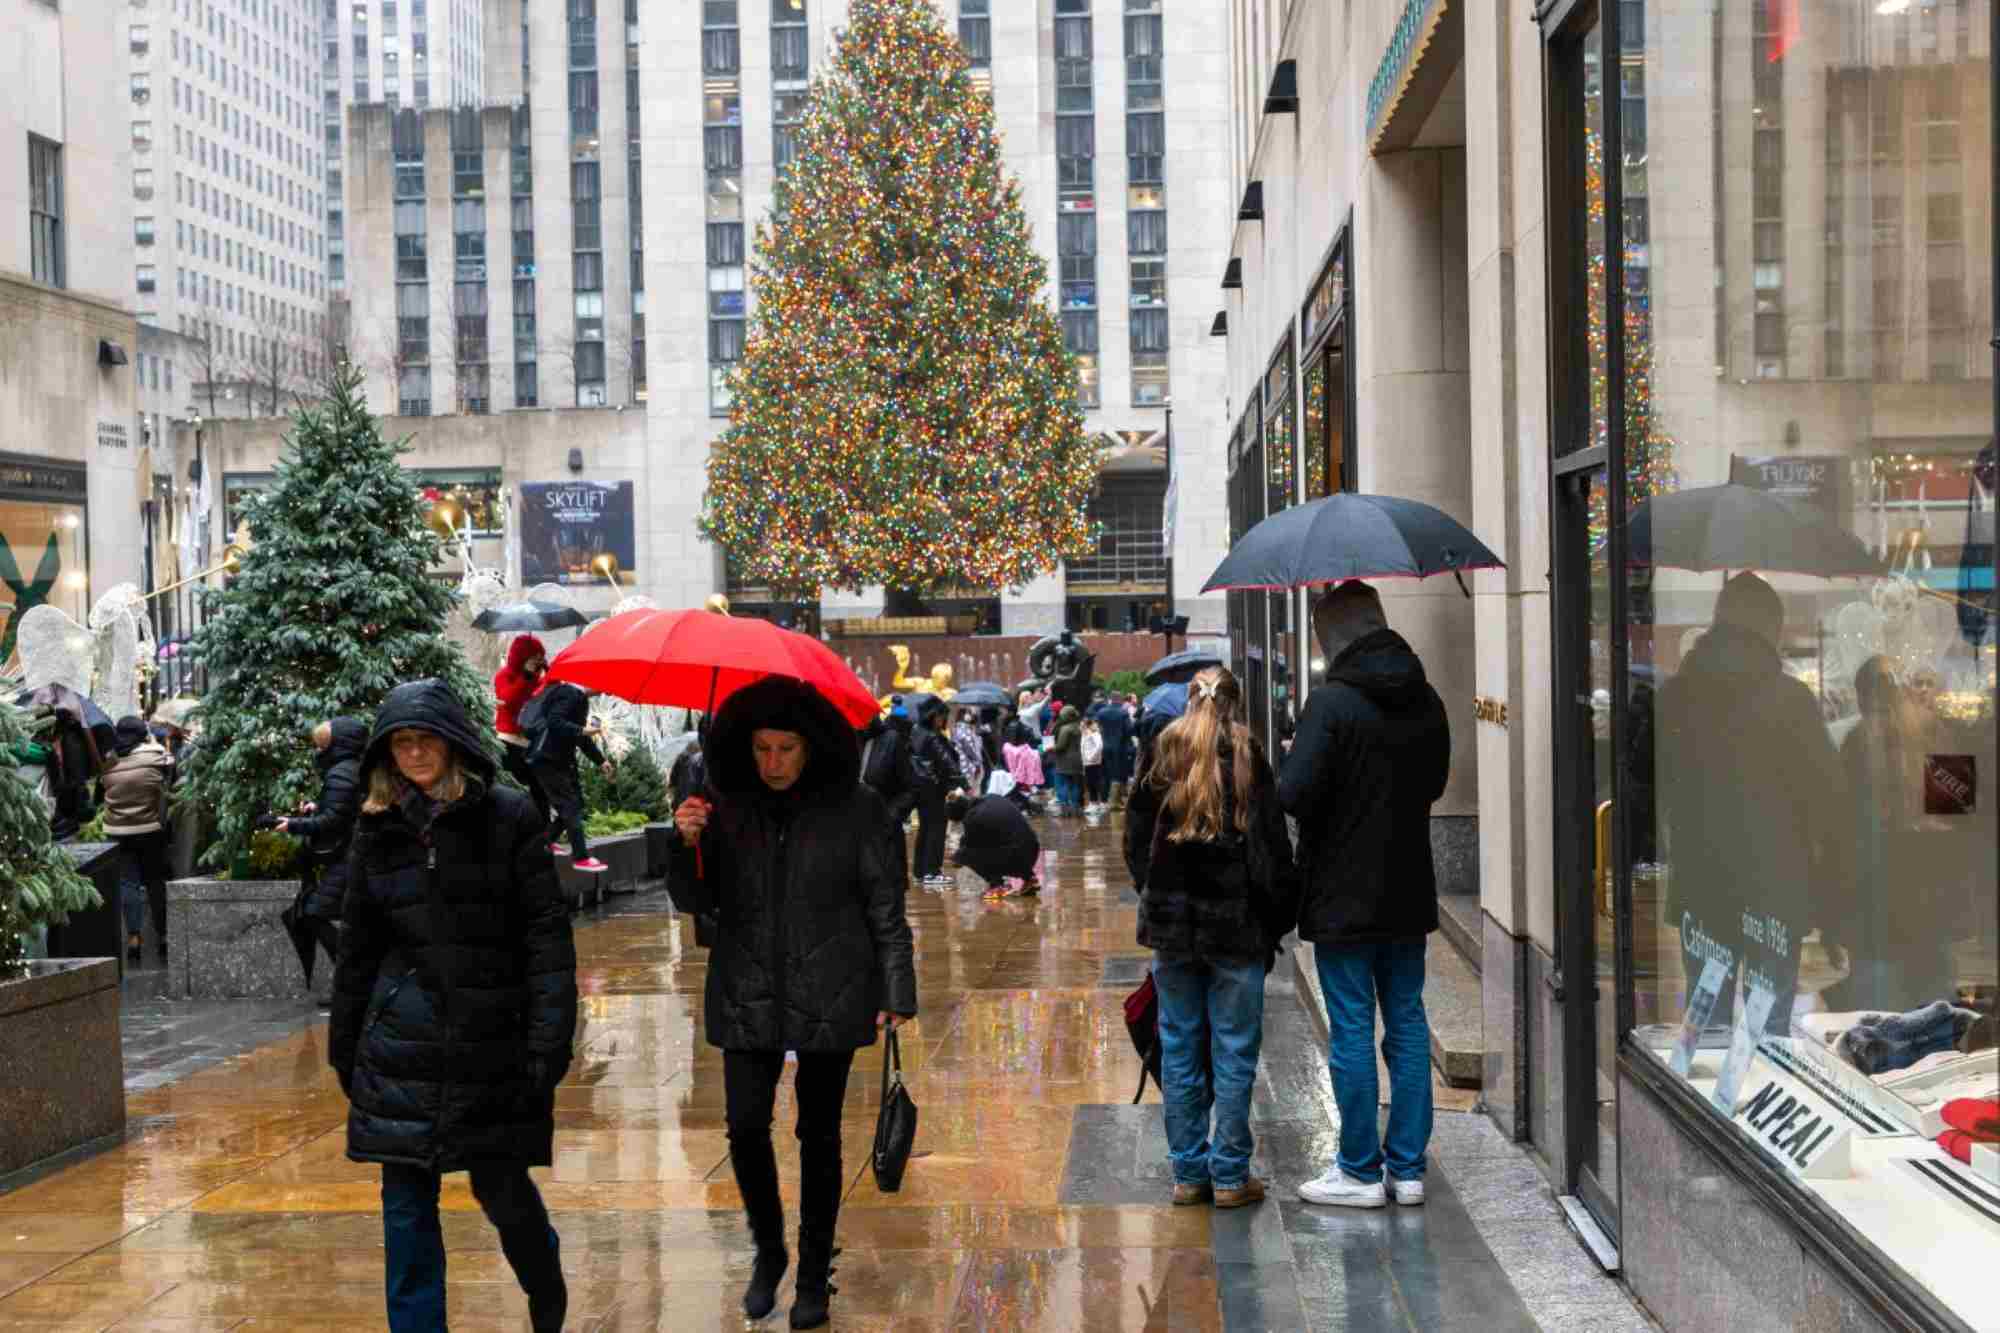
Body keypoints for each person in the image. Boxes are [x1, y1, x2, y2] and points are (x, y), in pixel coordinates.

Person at [668, 677, 917, 1328]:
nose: (772, 762)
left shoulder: (857, 807)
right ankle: (769, 1248)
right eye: (761, 748)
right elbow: (696, 901)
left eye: (785, 748)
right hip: (746, 981)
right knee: (746, 1126)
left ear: (810, 749)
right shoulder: (724, 802)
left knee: (819, 1133)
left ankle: (812, 1272)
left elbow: (886, 905)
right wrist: (686, 842)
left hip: (830, 979)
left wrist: (896, 987)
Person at [329, 679, 577, 1333]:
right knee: (407, 1212)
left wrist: (549, 1038)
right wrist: (346, 1041)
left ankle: (544, 1279)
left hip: (489, 1044)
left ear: (452, 740)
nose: (414, 753)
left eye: (425, 739)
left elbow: (545, 935)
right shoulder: (376, 825)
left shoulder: (508, 814)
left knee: (503, 1192)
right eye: (401, 742)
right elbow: (357, 946)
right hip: (401, 1048)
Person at [1278, 581, 1450, 1209]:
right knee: (1406, 1020)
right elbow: (1435, 782)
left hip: (1342, 895)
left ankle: (1357, 1169)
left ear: (1333, 639)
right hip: (1407, 889)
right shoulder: (1426, 698)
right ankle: (1406, 1171)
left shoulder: (1331, 705)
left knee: (1351, 1024)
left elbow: (1292, 796)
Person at [1125, 667, 1298, 1209]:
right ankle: (1229, 1174)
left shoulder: (1165, 751)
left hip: (1174, 933)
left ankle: (1187, 1173)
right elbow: (1271, 852)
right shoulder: (1247, 757)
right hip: (1238, 930)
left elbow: (1134, 840)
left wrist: (1154, 894)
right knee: (1235, 1050)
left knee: (1178, 1047)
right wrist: (1274, 920)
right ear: (1234, 704)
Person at [1656, 573, 1849, 1034]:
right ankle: (1758, 1098)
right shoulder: (1791, 701)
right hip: (1773, 888)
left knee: (1705, 1019)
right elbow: (1829, 800)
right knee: (1767, 1025)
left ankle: (1698, 1103)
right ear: (1770, 628)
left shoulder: (1677, 698)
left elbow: (1652, 786)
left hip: (1702, 883)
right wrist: (1832, 900)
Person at [276, 717, 368, 981]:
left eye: (323, 746)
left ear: (338, 744)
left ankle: (351, 975)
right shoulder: (353, 767)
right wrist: (318, 808)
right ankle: (350, 975)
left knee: (313, 912)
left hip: (348, 855)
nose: (318, 751)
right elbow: (343, 809)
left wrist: (293, 825)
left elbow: (334, 820)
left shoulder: (341, 771)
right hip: (352, 853)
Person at [101, 716, 174, 964]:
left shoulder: (108, 760)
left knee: (128, 883)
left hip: (118, 831)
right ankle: (164, 935)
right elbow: (168, 781)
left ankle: (133, 937)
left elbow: (99, 795)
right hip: (151, 829)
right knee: (155, 881)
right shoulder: (156, 756)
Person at [525, 678, 613, 873]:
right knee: (569, 804)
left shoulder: (579, 698)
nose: (608, 693)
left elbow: (579, 737)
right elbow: (555, 722)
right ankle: (580, 857)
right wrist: (582, 729)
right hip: (547, 759)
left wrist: (601, 760)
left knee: (576, 804)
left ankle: (544, 843)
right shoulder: (569, 693)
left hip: (559, 761)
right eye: (608, 687)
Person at [492, 634, 551, 826]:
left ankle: (543, 837)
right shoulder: (504, 676)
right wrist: (526, 675)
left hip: (532, 742)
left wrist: (547, 674)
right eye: (533, 656)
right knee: (513, 792)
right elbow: (509, 700)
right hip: (509, 741)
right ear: (522, 657)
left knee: (541, 791)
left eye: (539, 656)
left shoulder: (537, 678)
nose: (536, 660)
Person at [910, 694, 967, 886]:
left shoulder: (916, 731)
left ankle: (920, 871)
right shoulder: (932, 736)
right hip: (935, 789)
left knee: (926, 830)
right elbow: (947, 762)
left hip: (921, 789)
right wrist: (961, 783)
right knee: (936, 830)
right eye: (942, 716)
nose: (944, 720)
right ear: (934, 716)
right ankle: (932, 873)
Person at [954, 793, 1042, 897]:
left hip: (1015, 856)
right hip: (1032, 850)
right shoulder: (992, 797)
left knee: (965, 855)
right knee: (1005, 843)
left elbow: (968, 844)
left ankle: (997, 885)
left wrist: (956, 857)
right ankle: (1030, 878)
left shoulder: (972, 817)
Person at [1093, 692, 1136, 810]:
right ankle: (1115, 801)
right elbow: (1129, 729)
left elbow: (1095, 727)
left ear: (1111, 699)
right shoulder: (1123, 712)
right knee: (1119, 773)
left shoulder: (1101, 712)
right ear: (1120, 699)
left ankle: (1104, 799)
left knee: (1105, 773)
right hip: (1120, 748)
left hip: (1104, 746)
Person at [1044, 705, 1085, 814]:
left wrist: (1050, 748)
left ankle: (1065, 808)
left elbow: (1061, 746)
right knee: (1074, 784)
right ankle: (1075, 806)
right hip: (1077, 758)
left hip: (1065, 760)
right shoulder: (1078, 727)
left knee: (1063, 784)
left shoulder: (1065, 729)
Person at [952, 706, 987, 795]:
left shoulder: (964, 728)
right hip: (969, 767)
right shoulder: (962, 729)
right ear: (962, 715)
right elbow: (969, 749)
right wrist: (977, 763)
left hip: (968, 766)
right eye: (969, 713)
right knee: (970, 793)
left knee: (971, 792)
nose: (972, 715)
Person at [1080, 715, 1107, 811]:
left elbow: (1099, 746)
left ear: (1087, 725)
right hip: (1087, 763)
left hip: (1093, 763)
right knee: (1091, 783)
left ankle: (1099, 802)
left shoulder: (1094, 734)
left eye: (1082, 725)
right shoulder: (1085, 734)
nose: (1080, 727)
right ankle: (1094, 802)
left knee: (1095, 783)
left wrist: (1091, 757)